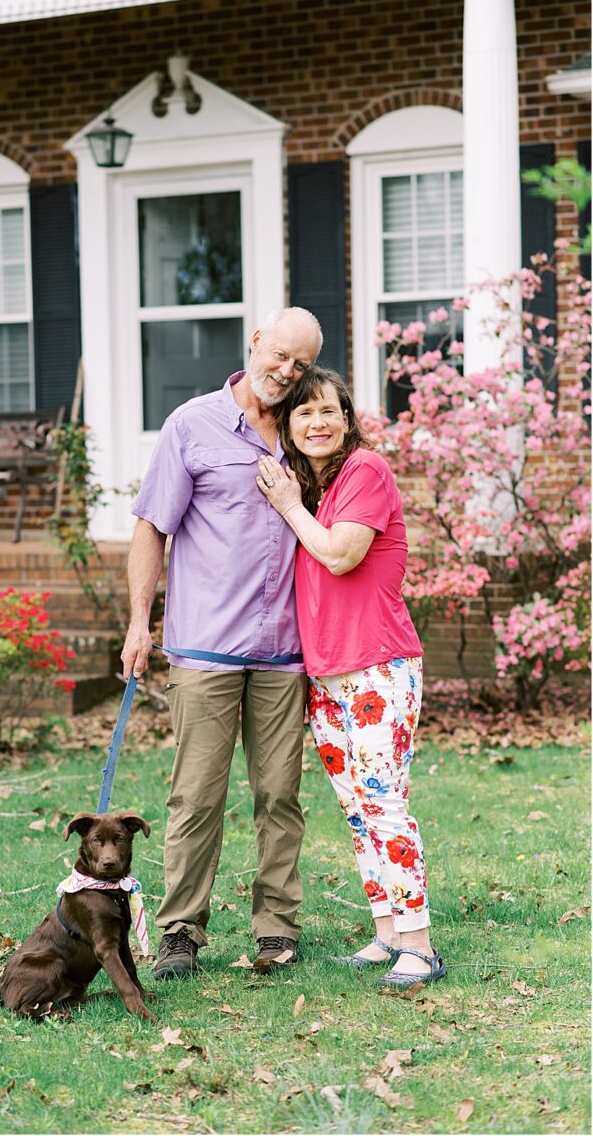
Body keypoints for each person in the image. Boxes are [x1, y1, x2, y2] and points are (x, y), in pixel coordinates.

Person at [121, 306, 324, 979]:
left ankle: (277, 930)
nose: (286, 372)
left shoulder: (308, 429)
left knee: (280, 796)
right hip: (205, 647)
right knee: (196, 796)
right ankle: (180, 932)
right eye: (280, 355)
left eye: (300, 364)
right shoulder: (193, 425)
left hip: (284, 650)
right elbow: (152, 527)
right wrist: (137, 621)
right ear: (255, 342)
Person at [256, 366, 446, 987]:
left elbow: (341, 554)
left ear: (347, 419)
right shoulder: (316, 489)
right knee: (358, 808)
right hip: (327, 672)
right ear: (289, 424)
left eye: (328, 412)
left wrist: (285, 504)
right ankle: (387, 935)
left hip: (378, 666)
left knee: (385, 803)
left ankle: (419, 945)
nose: (317, 423)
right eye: (304, 413)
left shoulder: (366, 470)